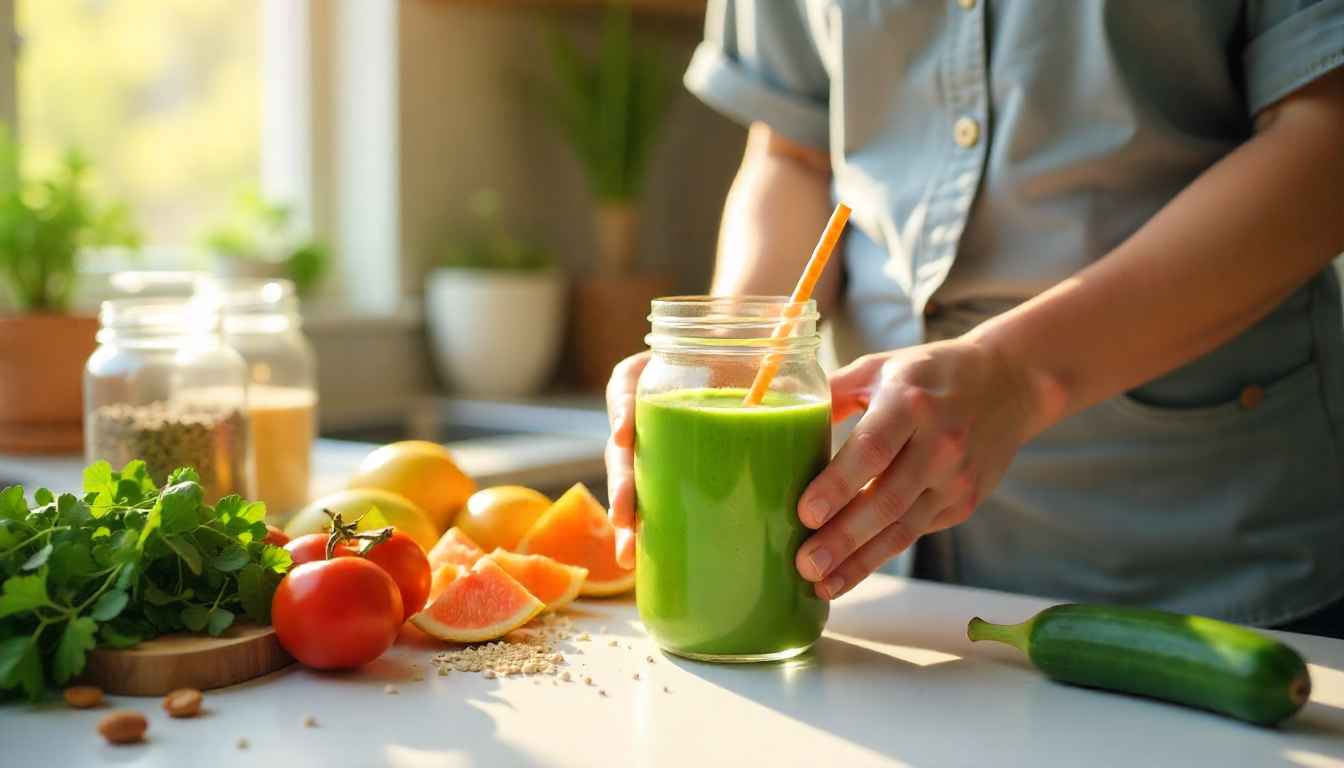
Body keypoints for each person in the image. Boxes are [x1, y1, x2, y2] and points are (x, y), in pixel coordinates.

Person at [603, 0, 1344, 637]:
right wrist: (722, 352)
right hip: (890, 595)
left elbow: (1325, 142)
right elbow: (792, 153)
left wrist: (1023, 376)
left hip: (1207, 563)